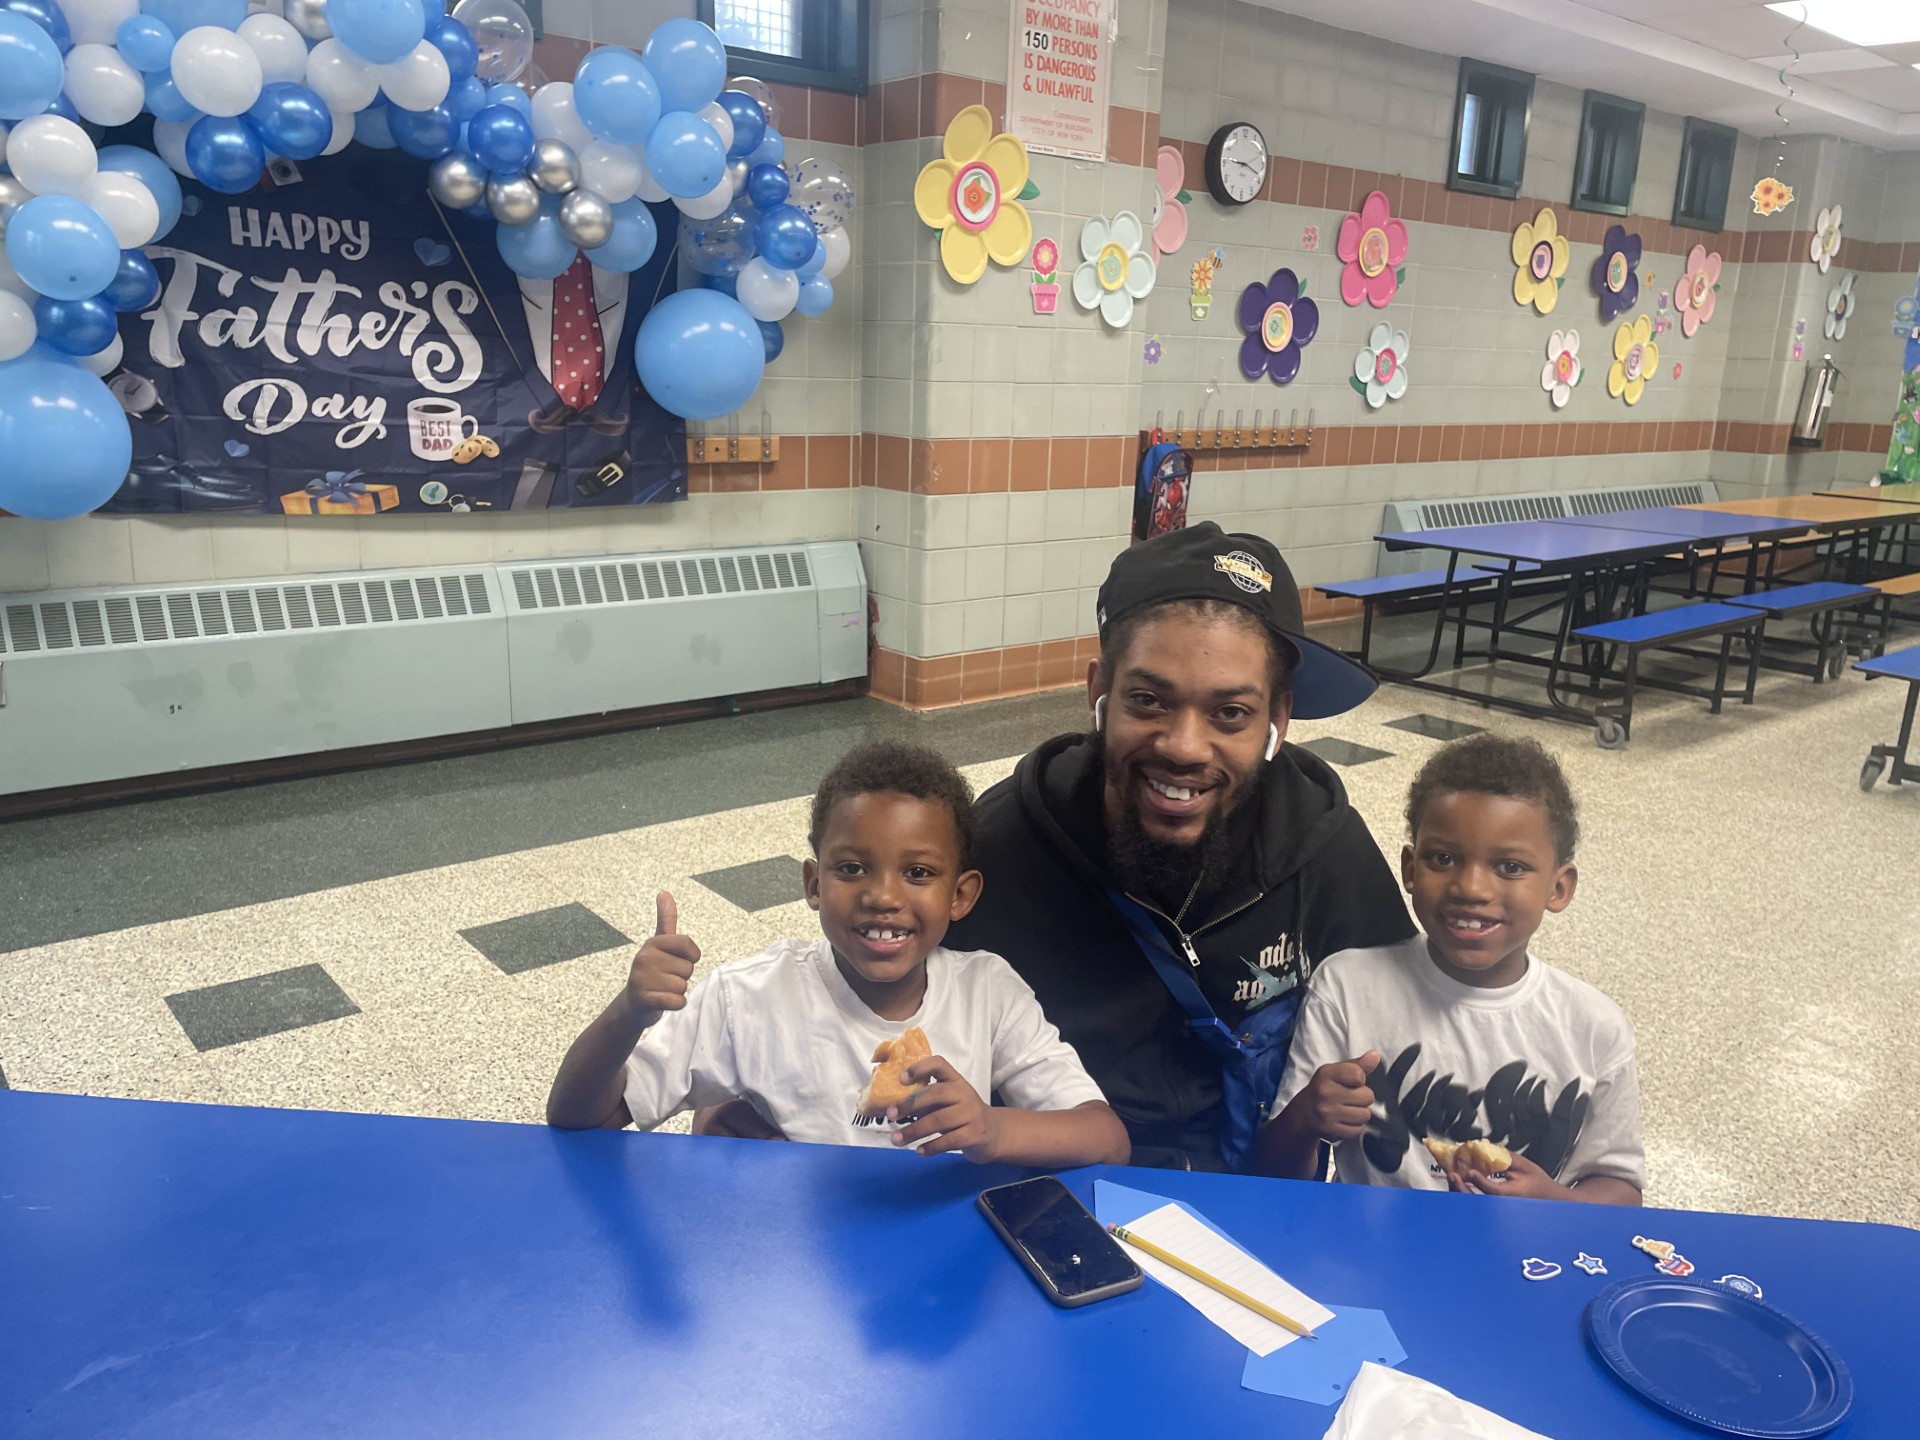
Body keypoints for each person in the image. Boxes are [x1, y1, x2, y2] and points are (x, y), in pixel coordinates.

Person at [943, 523, 1417, 1171]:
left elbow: (1416, 1011)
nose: (1185, 747)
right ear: (1097, 694)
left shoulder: (1324, 844)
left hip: (1255, 1179)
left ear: (1277, 720)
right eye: (1148, 701)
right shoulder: (996, 851)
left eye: (1230, 714)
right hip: (1053, 1184)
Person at [547, 740, 1130, 1168]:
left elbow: (1105, 1139)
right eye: (851, 869)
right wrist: (629, 1014)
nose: (882, 896)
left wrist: (991, 1128)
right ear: (813, 884)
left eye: (919, 873)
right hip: (798, 1267)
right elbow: (582, 1117)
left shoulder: (989, 991)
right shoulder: (745, 998)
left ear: (961, 895)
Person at [1256, 734, 1644, 1205]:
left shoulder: (1593, 1027)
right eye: (1443, 858)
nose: (1472, 888)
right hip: (1371, 1250)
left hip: (1525, 1259)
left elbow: (1621, 1191)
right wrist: (1302, 1121)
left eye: (1510, 866)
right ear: (1410, 868)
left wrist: (1553, 1202)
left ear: (1559, 888)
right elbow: (1276, 1175)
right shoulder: (1346, 987)